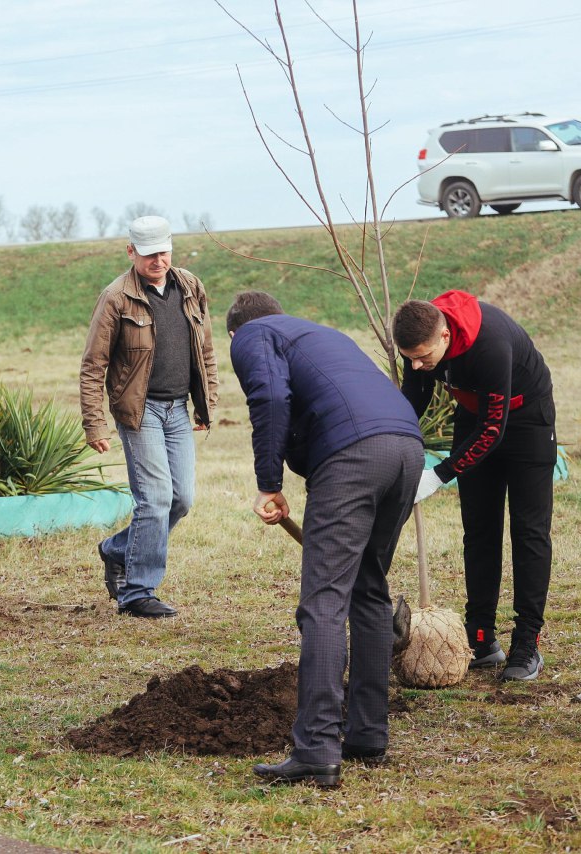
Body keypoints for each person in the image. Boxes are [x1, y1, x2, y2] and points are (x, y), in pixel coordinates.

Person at [227, 292, 422, 788]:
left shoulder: (253, 333)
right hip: (405, 450)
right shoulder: (319, 332)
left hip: (353, 457)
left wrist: (269, 482)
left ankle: (316, 747)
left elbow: (270, 398)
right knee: (369, 590)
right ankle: (368, 734)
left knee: (323, 602)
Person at [392, 290, 556, 681]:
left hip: (525, 420)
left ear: (445, 337)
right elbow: (412, 400)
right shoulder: (418, 338)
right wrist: (395, 438)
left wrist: (440, 474)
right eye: (409, 357)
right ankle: (481, 638)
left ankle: (526, 643)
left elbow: (493, 430)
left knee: (529, 532)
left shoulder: (490, 343)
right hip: (474, 415)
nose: (416, 365)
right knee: (479, 532)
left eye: (423, 357)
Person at [79, 215, 218, 619]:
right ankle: (138, 591)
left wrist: (206, 403)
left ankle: (118, 549)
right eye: (149, 254)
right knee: (154, 499)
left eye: (163, 251)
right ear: (131, 253)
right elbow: (93, 365)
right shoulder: (116, 297)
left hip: (177, 409)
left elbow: (205, 349)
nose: (158, 260)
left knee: (182, 499)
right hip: (139, 413)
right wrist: (94, 423)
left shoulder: (190, 287)